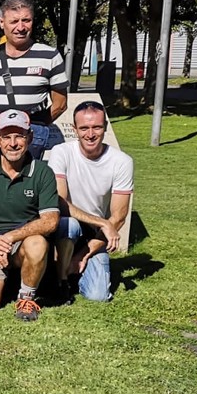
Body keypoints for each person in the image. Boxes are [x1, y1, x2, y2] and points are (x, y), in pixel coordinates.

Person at [0, 109, 60, 321]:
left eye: (19, 136)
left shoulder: (42, 171)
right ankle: (9, 282)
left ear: (30, 138)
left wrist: (9, 238)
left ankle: (27, 297)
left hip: (21, 241)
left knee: (37, 243)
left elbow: (51, 221)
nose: (13, 143)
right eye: (6, 137)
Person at [51, 101, 134, 302]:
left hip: (94, 234)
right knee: (69, 225)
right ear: (75, 129)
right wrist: (103, 222)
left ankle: (72, 270)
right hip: (65, 225)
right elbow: (60, 202)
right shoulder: (61, 152)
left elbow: (119, 216)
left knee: (98, 296)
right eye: (84, 128)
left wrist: (83, 255)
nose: (90, 134)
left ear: (105, 127)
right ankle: (61, 282)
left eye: (96, 127)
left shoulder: (122, 162)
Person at [0, 0, 67, 164]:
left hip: (29, 143)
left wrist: (34, 126)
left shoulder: (50, 56)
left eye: (26, 20)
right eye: (14, 21)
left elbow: (60, 104)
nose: (21, 27)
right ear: (2, 23)